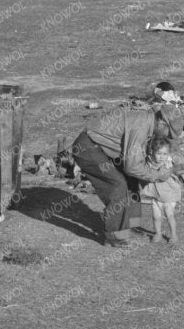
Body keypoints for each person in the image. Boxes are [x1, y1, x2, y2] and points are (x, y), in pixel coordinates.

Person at [72, 100, 171, 248]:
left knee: (131, 180)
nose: (167, 136)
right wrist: (157, 175)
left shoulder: (148, 121)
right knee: (117, 185)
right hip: (87, 147)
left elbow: (135, 159)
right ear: (162, 123)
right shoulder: (141, 124)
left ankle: (131, 224)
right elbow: (132, 166)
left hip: (103, 149)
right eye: (169, 132)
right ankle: (114, 236)